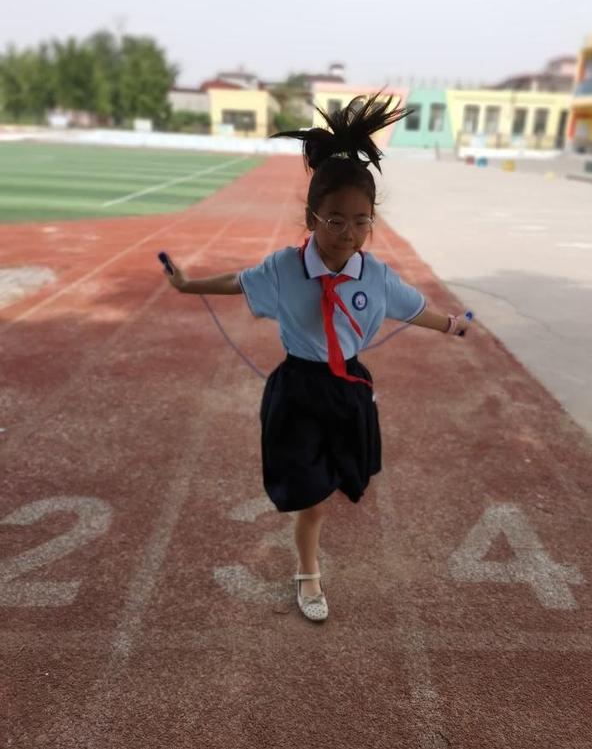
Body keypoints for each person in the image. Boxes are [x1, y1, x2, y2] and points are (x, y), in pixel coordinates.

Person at [162, 93, 471, 623]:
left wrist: (450, 324)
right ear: (312, 217)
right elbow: (238, 280)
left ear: (371, 221)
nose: (346, 234)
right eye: (333, 221)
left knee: (342, 481)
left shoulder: (374, 276)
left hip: (348, 387)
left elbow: (410, 307)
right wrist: (189, 285)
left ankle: (313, 538)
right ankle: (309, 575)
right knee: (312, 498)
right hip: (299, 390)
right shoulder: (285, 268)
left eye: (359, 221)